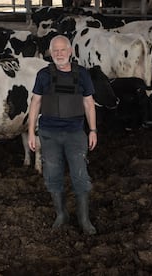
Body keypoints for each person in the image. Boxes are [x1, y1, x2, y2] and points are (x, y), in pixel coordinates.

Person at [28, 35, 98, 235]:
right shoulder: (43, 74)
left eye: (62, 50)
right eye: (55, 50)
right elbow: (35, 103)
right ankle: (61, 214)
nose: (59, 54)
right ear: (50, 52)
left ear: (70, 51)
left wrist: (92, 130)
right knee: (52, 174)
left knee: (80, 175)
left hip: (75, 133)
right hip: (49, 133)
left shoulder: (82, 74)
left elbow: (89, 103)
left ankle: (84, 220)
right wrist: (31, 132)